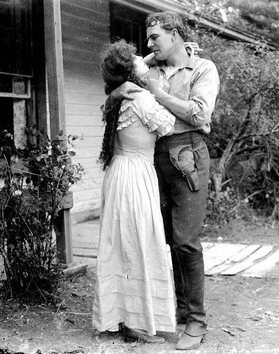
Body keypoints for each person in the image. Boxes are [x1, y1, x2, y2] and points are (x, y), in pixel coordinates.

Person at [108, 11, 220, 351]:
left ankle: (197, 320)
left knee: (186, 239)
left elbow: (200, 114)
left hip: (188, 154)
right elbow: (119, 70)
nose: (149, 43)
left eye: (155, 36)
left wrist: (156, 93)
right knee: (166, 237)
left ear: (174, 34)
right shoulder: (151, 68)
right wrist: (117, 94)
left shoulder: (203, 68)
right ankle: (180, 310)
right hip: (154, 157)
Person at [92, 40, 177, 344]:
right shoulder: (140, 97)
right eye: (136, 58)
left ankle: (124, 318)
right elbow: (167, 125)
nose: (145, 58)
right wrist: (158, 90)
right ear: (130, 69)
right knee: (139, 243)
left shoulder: (117, 96)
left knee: (123, 245)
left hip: (118, 174)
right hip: (136, 176)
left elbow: (143, 62)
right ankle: (139, 323)